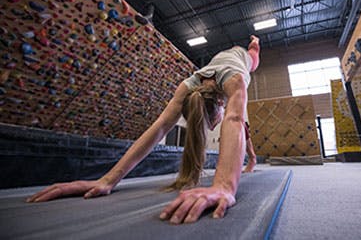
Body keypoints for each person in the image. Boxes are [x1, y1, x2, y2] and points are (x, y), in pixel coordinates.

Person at [27, 35, 261, 225]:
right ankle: (253, 43)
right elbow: (158, 129)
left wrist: (224, 187)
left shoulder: (236, 78)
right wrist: (106, 181)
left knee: (254, 57)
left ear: (220, 105)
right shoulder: (190, 86)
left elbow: (234, 118)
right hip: (220, 64)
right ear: (220, 104)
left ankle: (254, 43)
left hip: (241, 55)